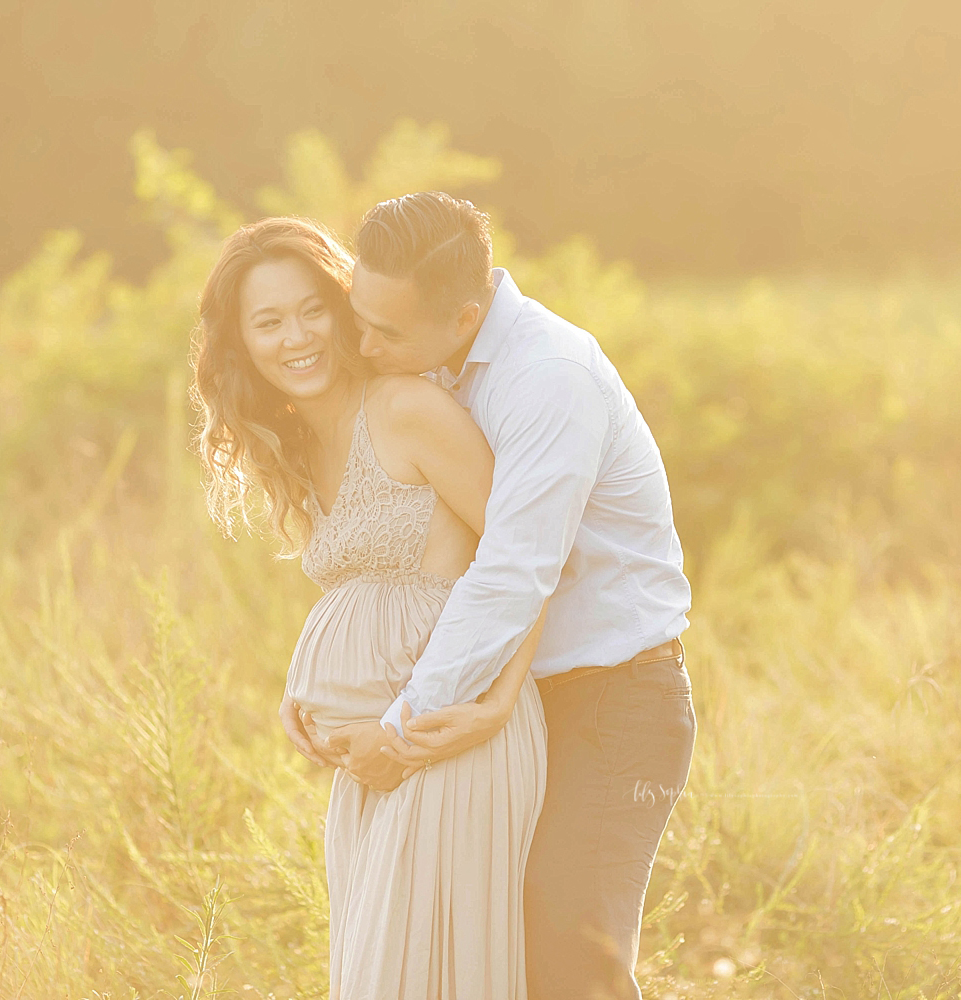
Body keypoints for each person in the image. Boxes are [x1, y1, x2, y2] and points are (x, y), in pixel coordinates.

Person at [281, 192, 696, 1000]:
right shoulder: (428, 360)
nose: (362, 345)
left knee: (572, 950)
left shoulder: (548, 379)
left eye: (385, 333)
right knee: (486, 953)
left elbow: (512, 572)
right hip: (517, 702)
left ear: (466, 315)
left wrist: (398, 733)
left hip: (613, 702)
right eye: (357, 318)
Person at [191, 216, 547, 1000]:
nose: (297, 337)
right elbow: (364, 596)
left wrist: (498, 702)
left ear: (345, 306)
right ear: (240, 342)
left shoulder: (405, 409)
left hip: (445, 741)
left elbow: (533, 560)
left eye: (312, 309)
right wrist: (306, 687)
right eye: (269, 322)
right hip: (367, 768)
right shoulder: (295, 443)